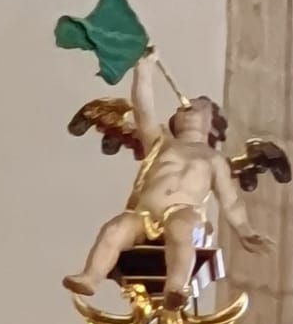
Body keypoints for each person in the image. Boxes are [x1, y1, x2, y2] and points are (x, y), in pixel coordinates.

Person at [65, 51, 271, 304]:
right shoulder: (161, 144)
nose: (188, 108)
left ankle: (176, 285)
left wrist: (244, 230)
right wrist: (144, 68)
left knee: (180, 231)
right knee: (115, 229)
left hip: (183, 211)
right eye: (183, 108)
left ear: (212, 124)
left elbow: (230, 201)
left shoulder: (212, 158)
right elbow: (143, 109)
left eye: (198, 107)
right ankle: (92, 276)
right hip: (144, 214)